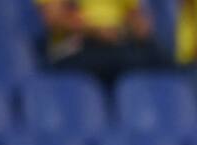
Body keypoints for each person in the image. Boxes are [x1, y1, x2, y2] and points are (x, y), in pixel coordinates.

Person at [36, 0, 168, 86]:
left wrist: (137, 27)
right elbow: (53, 18)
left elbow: (135, 17)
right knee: (120, 58)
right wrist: (95, 31)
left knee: (159, 59)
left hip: (117, 44)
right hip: (74, 46)